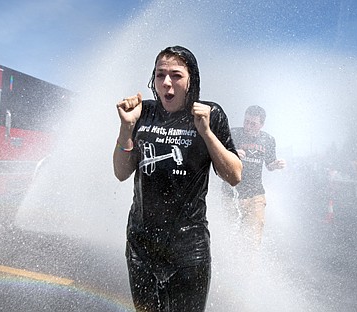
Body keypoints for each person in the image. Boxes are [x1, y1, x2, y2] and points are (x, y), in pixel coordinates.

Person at [113, 46, 242, 312]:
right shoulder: (143, 113)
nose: (167, 83)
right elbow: (121, 172)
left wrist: (206, 133)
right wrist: (126, 127)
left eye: (176, 75)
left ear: (191, 79)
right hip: (142, 244)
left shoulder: (210, 113)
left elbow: (235, 175)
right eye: (160, 75)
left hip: (188, 249)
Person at [222, 105, 286, 247]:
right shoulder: (233, 134)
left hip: (255, 194)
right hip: (231, 193)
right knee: (230, 235)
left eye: (253, 123)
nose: (248, 126)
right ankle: (231, 263)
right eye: (246, 121)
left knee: (253, 236)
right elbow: (219, 158)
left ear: (261, 125)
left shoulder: (268, 140)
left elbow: (269, 165)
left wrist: (275, 165)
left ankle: (250, 266)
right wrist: (233, 153)